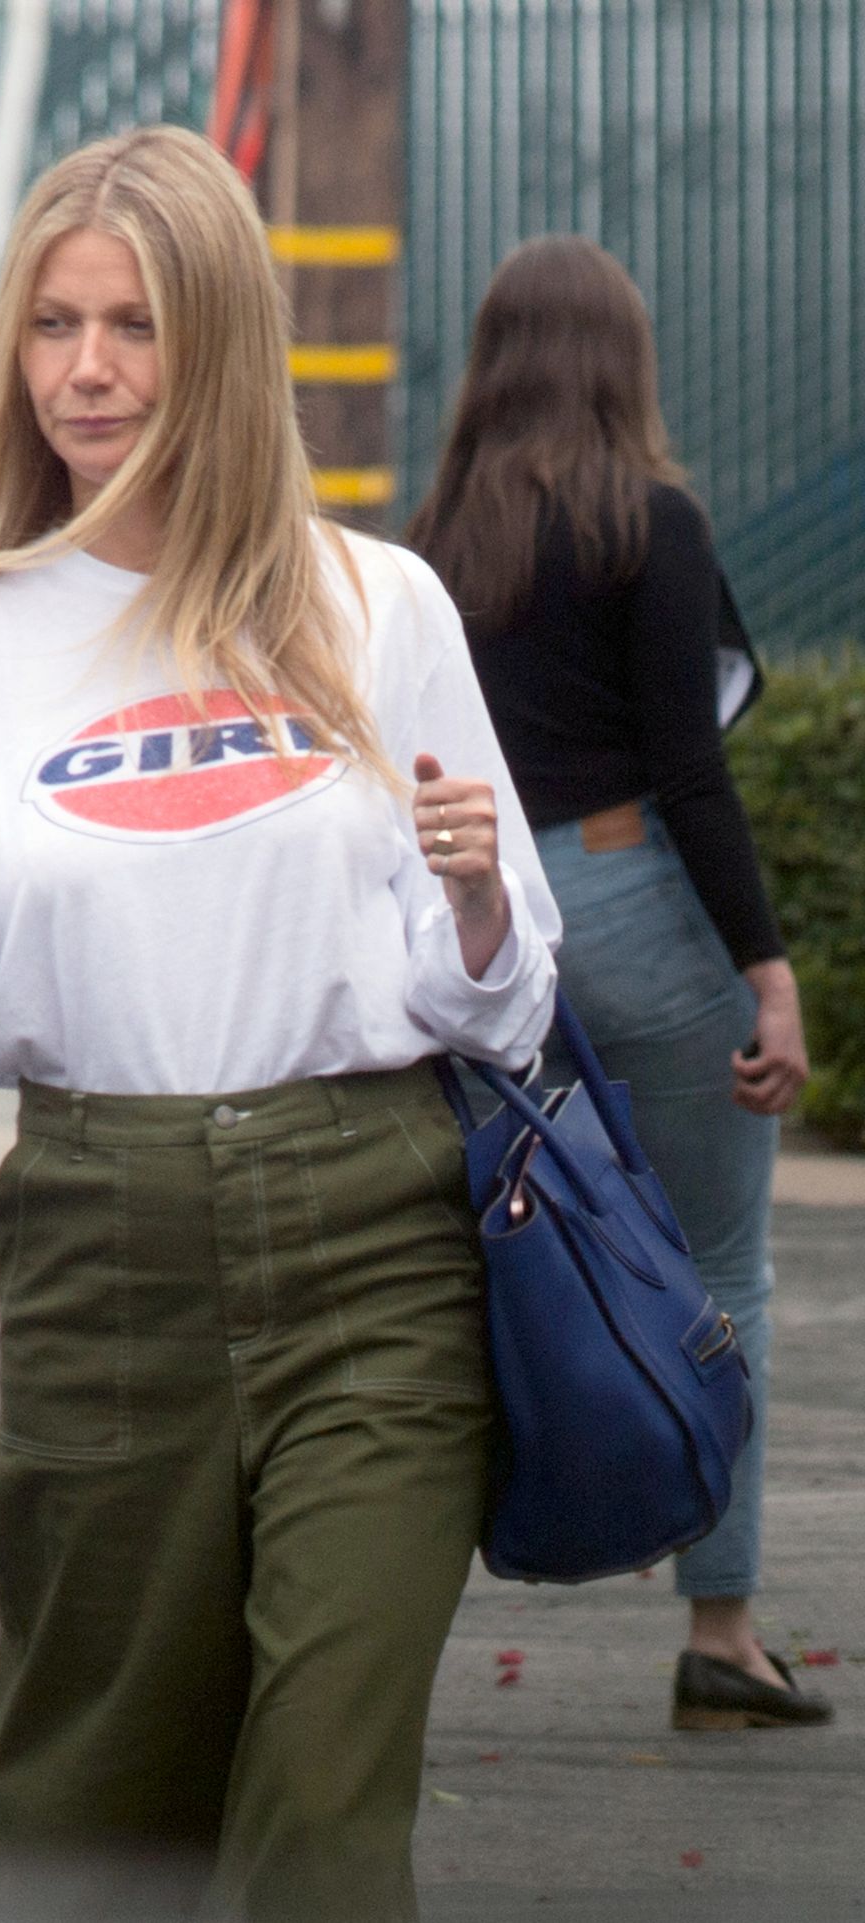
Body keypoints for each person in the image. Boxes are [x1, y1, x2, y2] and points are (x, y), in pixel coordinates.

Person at [0, 126, 560, 1923]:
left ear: (225, 341)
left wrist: (476, 903)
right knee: (106, 1825)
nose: (87, 370)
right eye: (55, 325)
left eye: (138, 326)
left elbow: (508, 986)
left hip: (377, 1245)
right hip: (107, 1252)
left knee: (324, 1812)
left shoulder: (374, 605)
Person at [406, 232, 833, 1733]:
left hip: (487, 917)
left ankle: (395, 1614)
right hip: (636, 896)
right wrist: (768, 974)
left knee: (501, 1255)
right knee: (720, 1266)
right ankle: (720, 1629)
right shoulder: (656, 520)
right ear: (626, 360)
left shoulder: (436, 539)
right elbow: (692, 773)